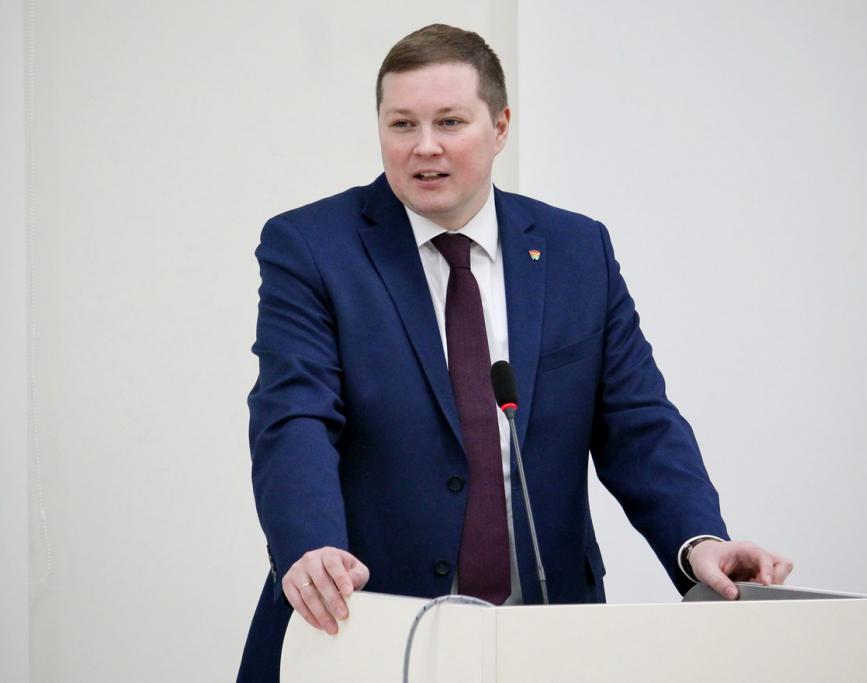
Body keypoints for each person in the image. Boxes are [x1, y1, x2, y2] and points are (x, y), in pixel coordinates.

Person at [237, 23, 793, 682]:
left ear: (500, 127)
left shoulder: (577, 250)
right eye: (402, 124)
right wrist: (311, 544)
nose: (425, 146)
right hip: (364, 623)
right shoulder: (312, 247)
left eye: (450, 122)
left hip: (546, 634)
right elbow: (294, 414)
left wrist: (697, 539)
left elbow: (638, 421)